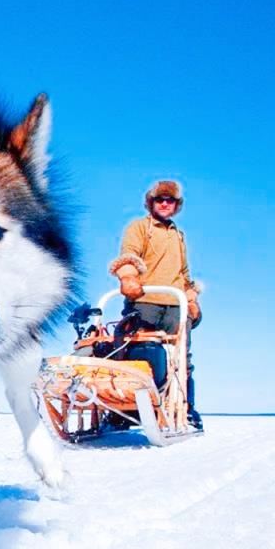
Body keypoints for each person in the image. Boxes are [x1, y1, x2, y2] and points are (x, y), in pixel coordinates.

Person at [108, 179, 203, 430]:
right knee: (135, 354)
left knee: (182, 358)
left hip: (174, 304)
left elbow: (184, 272)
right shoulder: (140, 227)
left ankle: (186, 409)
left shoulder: (179, 236)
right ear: (150, 202)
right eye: (159, 199)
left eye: (169, 200)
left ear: (176, 205)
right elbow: (128, 254)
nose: (164, 204)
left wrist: (191, 298)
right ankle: (123, 410)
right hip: (145, 301)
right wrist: (128, 276)